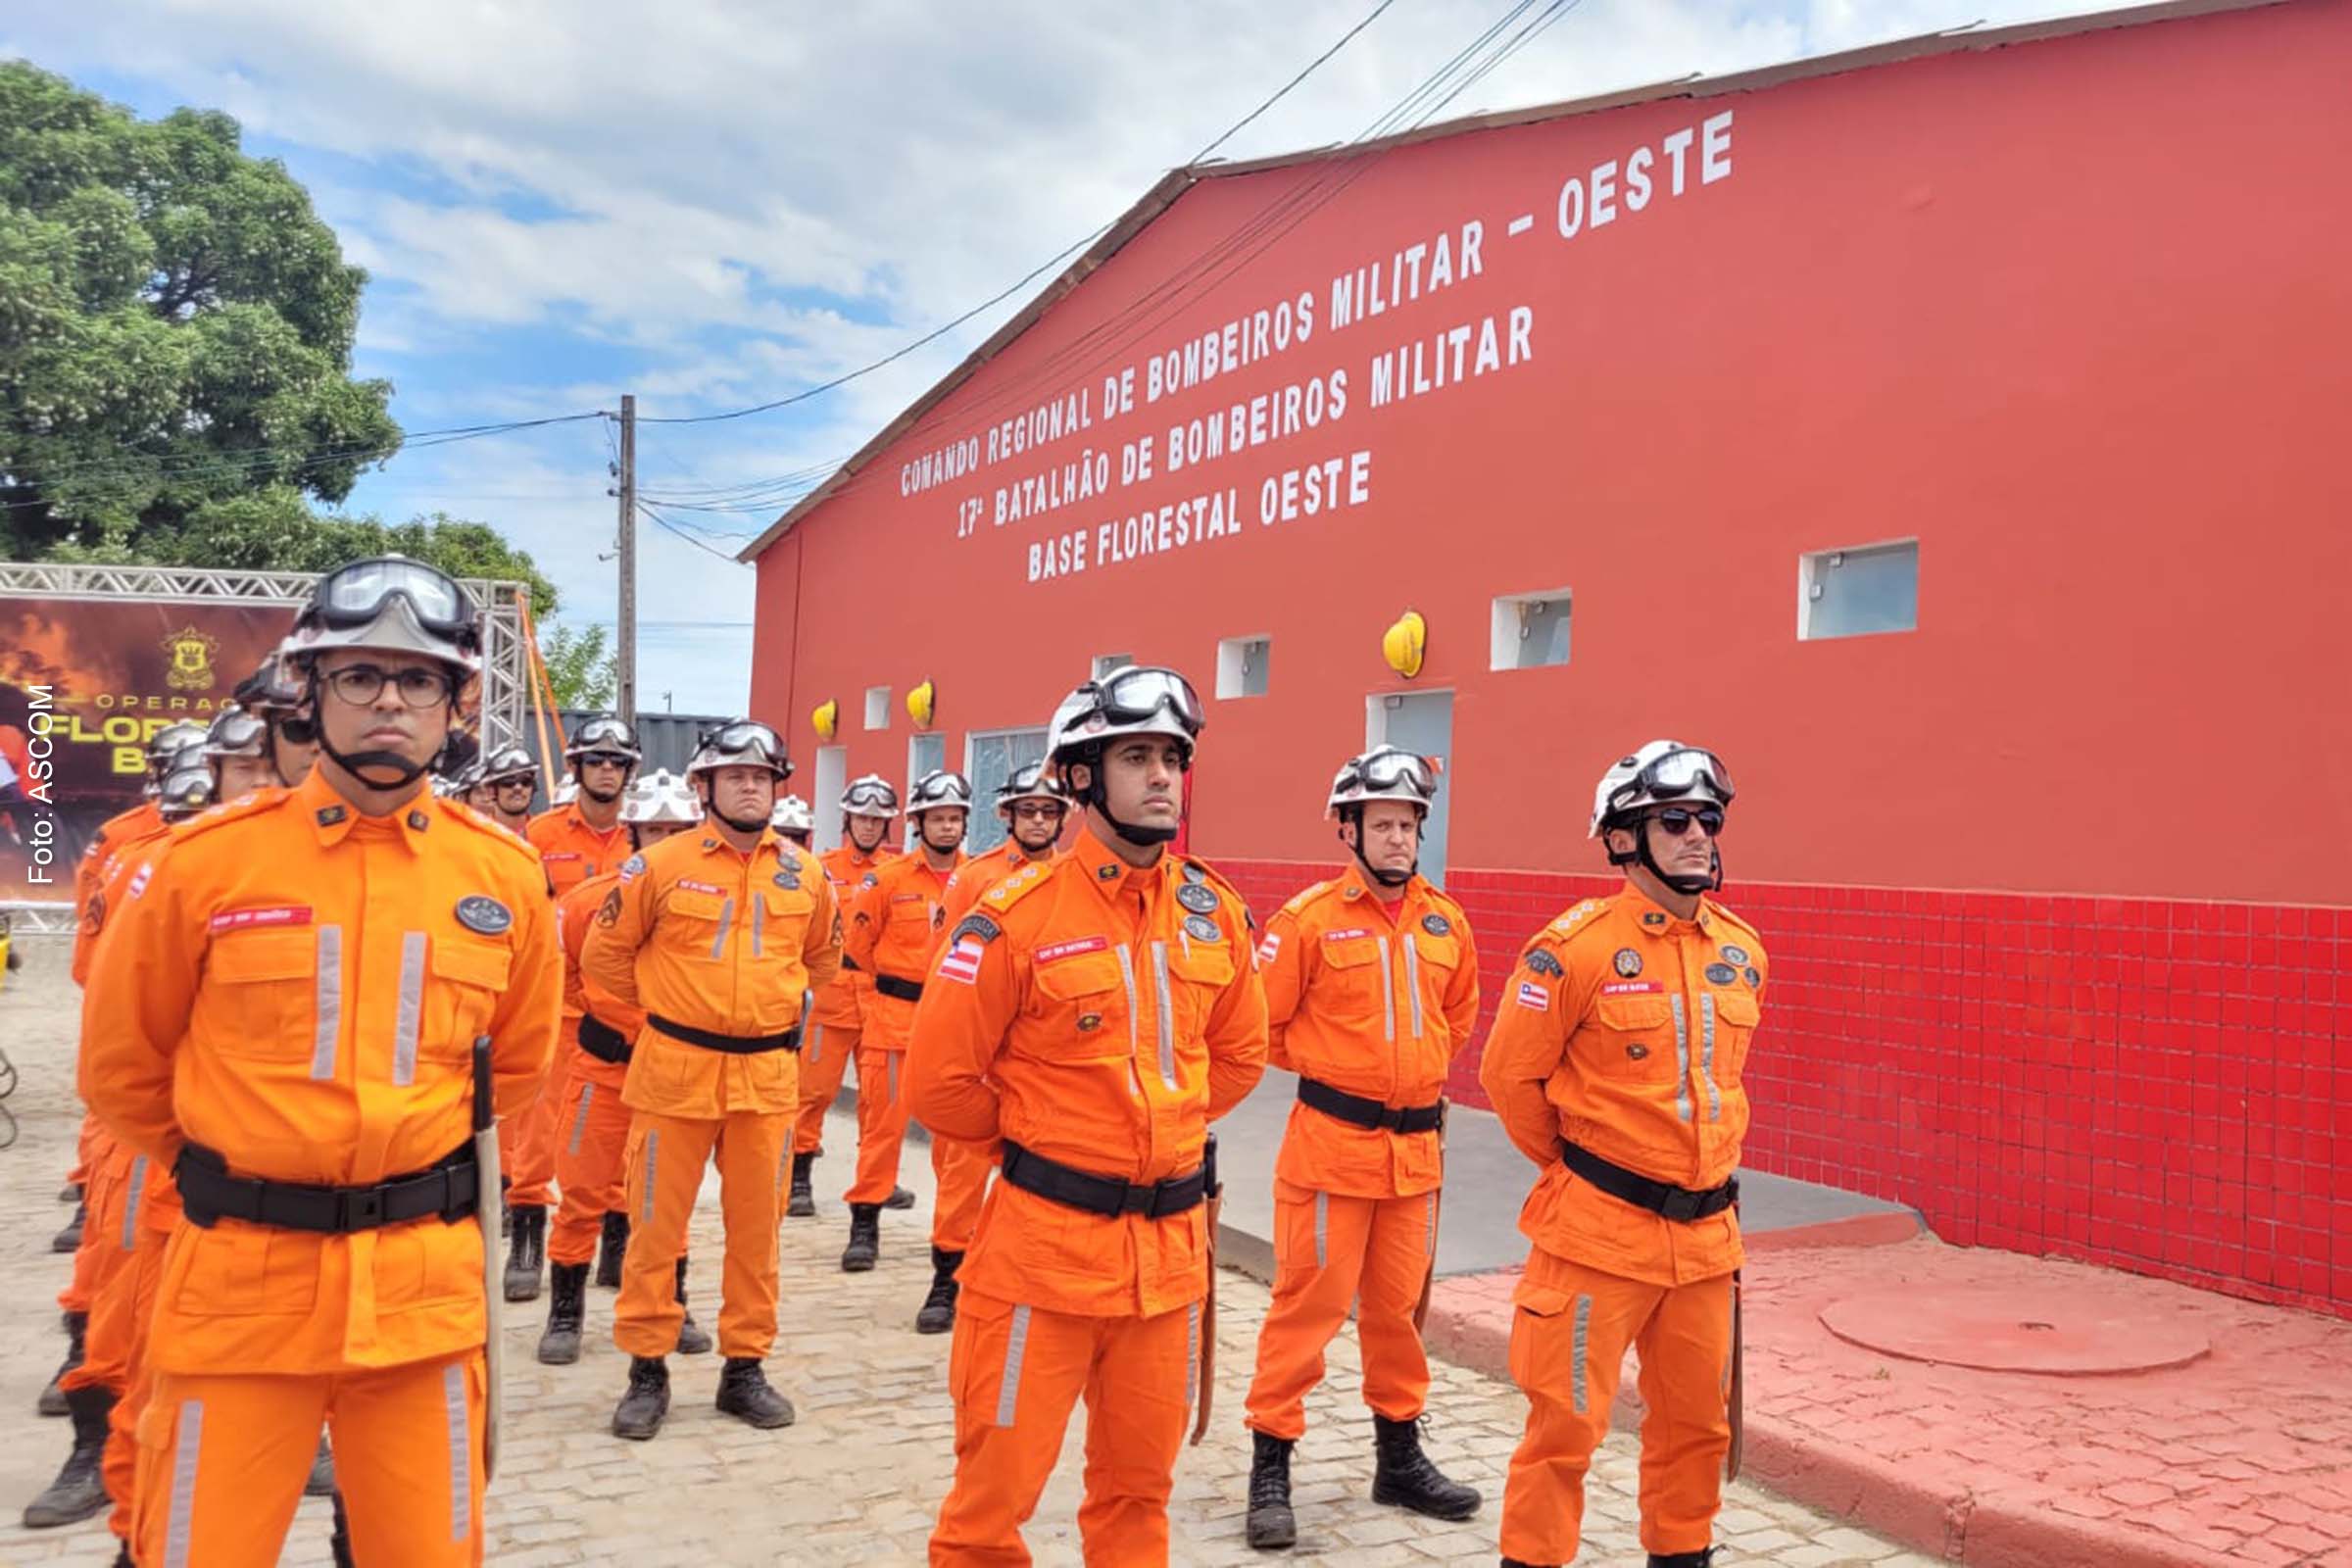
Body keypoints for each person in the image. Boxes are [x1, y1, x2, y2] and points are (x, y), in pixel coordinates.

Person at [79, 555, 562, 1566]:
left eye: (419, 679)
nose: (390, 701)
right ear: (311, 687)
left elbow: (516, 1067)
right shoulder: (204, 865)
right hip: (239, 1290)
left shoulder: (505, 876)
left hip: (423, 1297)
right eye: (361, 674)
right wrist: (243, 1169)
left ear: (456, 703)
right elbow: (122, 1068)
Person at [906, 666, 1268, 1565]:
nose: (1162, 777)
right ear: (1078, 776)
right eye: (1136, 757)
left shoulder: (1214, 912)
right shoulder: (1012, 917)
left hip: (1169, 1264)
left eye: (1172, 759)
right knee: (988, 1514)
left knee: (1139, 1499)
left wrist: (1155, 1129)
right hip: (1042, 1258)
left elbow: (1237, 1057)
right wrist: (1049, 1137)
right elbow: (939, 1084)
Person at [1479, 741, 1764, 1568]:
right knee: (1564, 1431)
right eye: (1673, 820)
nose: (1698, 835)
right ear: (1621, 839)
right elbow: (1509, 1079)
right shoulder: (1573, 950)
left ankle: (1682, 1555)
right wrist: (1583, 1169)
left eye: (1707, 819)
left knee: (1698, 1429)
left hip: (1705, 1244)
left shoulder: (1741, 951)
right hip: (1596, 1237)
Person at [1239, 746, 1483, 1548]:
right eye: (1382, 825)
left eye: (1409, 825)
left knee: (1397, 1314)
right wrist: (1340, 1072)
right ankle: (1271, 1465)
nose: (1398, 839)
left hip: (1414, 1158)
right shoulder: (1306, 922)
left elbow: (1458, 1017)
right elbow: (1260, 1026)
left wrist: (1407, 1076)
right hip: (1330, 1150)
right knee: (1306, 1310)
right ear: (1348, 831)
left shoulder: (1445, 921)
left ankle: (1399, 1460)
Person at [580, 719, 841, 1442]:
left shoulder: (806, 874)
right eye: (736, 777)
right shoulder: (657, 867)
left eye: (761, 778)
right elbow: (604, 957)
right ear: (705, 787)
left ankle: (744, 1367)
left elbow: (822, 960)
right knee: (654, 1229)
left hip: (767, 1076)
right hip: (675, 1072)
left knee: (757, 1233)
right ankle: (647, 1368)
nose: (751, 788)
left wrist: (764, 1007)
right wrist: (673, 1007)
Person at [24, 764, 215, 1533]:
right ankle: (98, 1451)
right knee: (122, 1295)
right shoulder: (143, 864)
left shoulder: (300, 865)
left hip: (255, 1135)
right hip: (153, 1128)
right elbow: (97, 982)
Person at [537, 769, 710, 1366]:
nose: (665, 840)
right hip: (603, 1069)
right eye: (654, 830)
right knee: (582, 1192)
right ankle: (565, 1313)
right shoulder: (588, 903)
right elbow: (565, 980)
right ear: (633, 833)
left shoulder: (716, 908)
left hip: (673, 1076)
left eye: (676, 829)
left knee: (668, 1201)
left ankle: (672, 1304)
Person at [505, 716, 641, 1302]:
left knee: (622, 1134)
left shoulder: (644, 838)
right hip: (555, 1010)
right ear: (576, 767)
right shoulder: (538, 836)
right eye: (597, 760)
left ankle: (616, 1242)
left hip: (622, 1015)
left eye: (617, 762)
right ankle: (527, 1236)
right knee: (540, 1133)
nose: (607, 770)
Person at [840, 768, 980, 1298]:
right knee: (882, 1129)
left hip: (954, 1026)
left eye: (954, 818)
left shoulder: (978, 879)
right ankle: (865, 1222)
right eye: (936, 818)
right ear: (918, 823)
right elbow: (858, 946)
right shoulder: (887, 880)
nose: (946, 827)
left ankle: (952, 1244)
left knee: (956, 1146)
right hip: (894, 1020)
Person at [784, 776, 909, 1221]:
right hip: (831, 995)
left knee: (881, 1099)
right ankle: (798, 1176)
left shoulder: (900, 872)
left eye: (877, 819)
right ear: (848, 820)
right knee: (813, 1091)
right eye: (862, 818)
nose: (869, 826)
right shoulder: (821, 868)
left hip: (879, 997)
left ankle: (876, 1178)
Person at [936, 761, 1067, 930]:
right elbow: (944, 944)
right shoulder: (972, 876)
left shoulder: (1072, 877)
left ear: (1061, 818)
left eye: (1049, 811)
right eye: (1027, 810)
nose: (1038, 819)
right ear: (1009, 815)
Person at [465, 745, 538, 836]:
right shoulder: (474, 834)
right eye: (508, 782)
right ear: (491, 790)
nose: (518, 787)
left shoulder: (544, 831)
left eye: (526, 781)